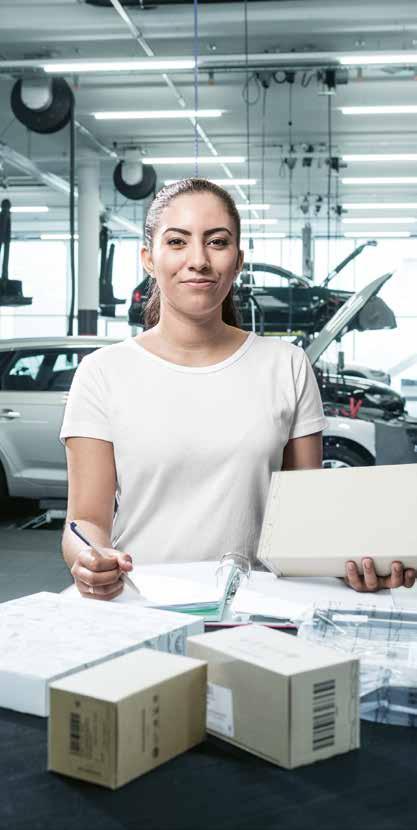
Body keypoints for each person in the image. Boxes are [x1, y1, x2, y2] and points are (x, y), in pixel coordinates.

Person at [60, 177, 415, 600]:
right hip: (141, 600)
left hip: (264, 606)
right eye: (177, 242)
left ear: (238, 259)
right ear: (148, 259)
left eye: (217, 242)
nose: (198, 260)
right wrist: (89, 556)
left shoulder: (286, 366)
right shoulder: (102, 372)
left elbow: (311, 521)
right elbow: (85, 519)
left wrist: (353, 563)